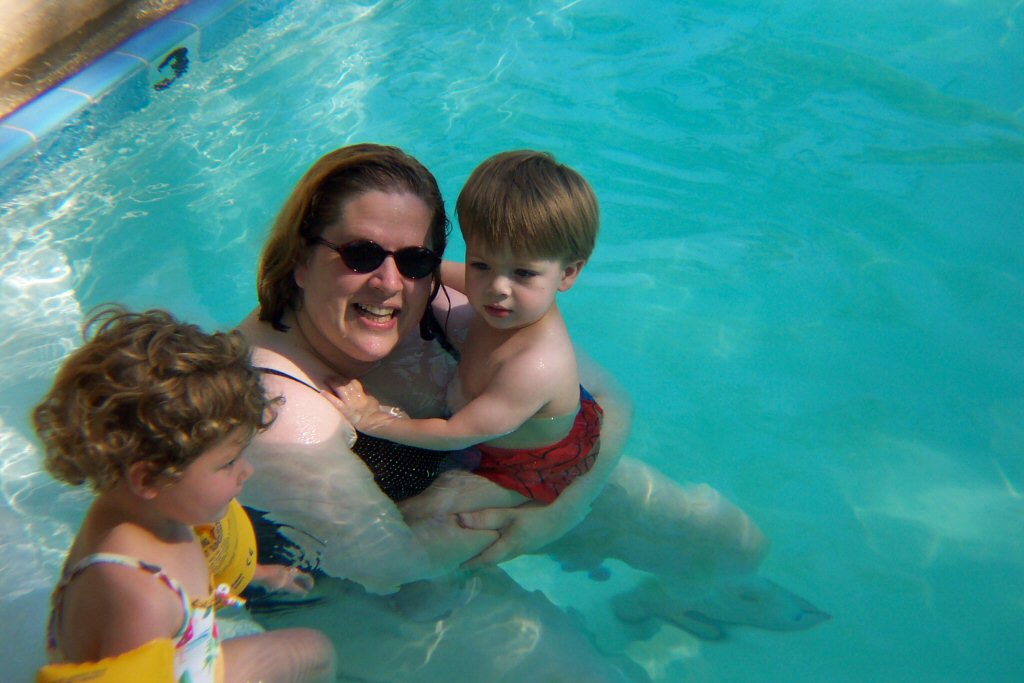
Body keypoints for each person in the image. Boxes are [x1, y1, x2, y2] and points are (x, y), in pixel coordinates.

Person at [238, 143, 826, 681]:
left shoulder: (451, 300)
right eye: (360, 254)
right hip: (353, 589)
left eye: (416, 259)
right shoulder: (286, 411)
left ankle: (674, 601)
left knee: (727, 544)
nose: (390, 283)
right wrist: (510, 521)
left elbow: (610, 403)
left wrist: (559, 512)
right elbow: (387, 563)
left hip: (491, 481)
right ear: (300, 259)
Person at [32, 306, 336, 683]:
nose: (246, 471)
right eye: (228, 463)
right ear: (149, 478)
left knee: (312, 649)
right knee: (315, 652)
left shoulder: (155, 509)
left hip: (179, 655)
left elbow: (197, 558)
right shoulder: (138, 597)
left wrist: (261, 574)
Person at [331, 150, 604, 509]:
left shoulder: (534, 367)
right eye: (480, 264)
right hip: (500, 420)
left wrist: (374, 420)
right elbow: (436, 271)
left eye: (523, 273)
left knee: (424, 517)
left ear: (568, 273)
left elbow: (455, 433)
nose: (497, 288)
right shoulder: (504, 294)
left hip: (526, 462)